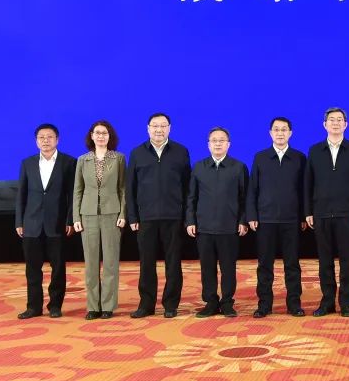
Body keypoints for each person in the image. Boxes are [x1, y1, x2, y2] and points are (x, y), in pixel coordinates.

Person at [126, 113, 191, 319]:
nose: (159, 130)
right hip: (146, 218)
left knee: (173, 263)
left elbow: (188, 187)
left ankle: (171, 304)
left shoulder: (181, 152)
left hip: (174, 217)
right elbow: (130, 188)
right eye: (155, 126)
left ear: (170, 128)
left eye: (163, 126)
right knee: (146, 263)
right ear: (148, 128)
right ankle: (146, 304)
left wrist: (187, 217)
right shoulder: (137, 153)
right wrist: (133, 217)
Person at [304, 107, 349, 317]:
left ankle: (346, 303)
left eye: (340, 120)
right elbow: (308, 183)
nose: (336, 123)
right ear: (325, 124)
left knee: (347, 262)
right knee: (325, 262)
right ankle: (327, 302)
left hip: (346, 213)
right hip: (321, 213)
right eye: (332, 120)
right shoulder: (315, 150)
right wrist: (308, 211)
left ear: (346, 124)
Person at [15, 124, 77, 319]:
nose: (45, 140)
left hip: (57, 223)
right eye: (41, 137)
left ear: (57, 139)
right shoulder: (27, 163)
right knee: (32, 269)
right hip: (31, 223)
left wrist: (70, 219)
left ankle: (55, 305)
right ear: (36, 141)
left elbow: (72, 195)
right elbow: (21, 194)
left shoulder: (69, 162)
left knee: (58, 268)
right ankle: (33, 307)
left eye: (49, 137)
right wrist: (19, 221)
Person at [248, 117, 307, 318]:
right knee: (265, 265)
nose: (280, 133)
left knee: (292, 265)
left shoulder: (299, 158)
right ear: (270, 133)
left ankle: (294, 304)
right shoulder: (260, 157)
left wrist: (303, 215)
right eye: (276, 129)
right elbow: (253, 189)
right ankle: (264, 305)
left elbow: (304, 190)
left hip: (292, 220)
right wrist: (252, 214)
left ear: (290, 133)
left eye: (284, 130)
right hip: (266, 220)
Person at [186, 127, 248, 317]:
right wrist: (190, 220)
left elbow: (245, 197)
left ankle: (227, 302)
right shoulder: (199, 167)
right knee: (207, 268)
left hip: (229, 227)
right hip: (204, 227)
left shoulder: (239, 167)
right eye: (214, 140)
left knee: (228, 267)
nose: (218, 144)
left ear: (229, 144)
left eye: (222, 140)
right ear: (208, 145)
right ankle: (211, 302)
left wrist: (243, 220)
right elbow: (191, 197)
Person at [73, 120, 127, 320]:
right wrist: (76, 216)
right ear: (92, 136)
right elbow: (77, 190)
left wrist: (123, 214)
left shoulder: (119, 158)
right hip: (87, 215)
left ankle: (108, 306)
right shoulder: (83, 160)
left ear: (110, 136)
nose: (101, 136)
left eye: (105, 133)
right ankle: (93, 306)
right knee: (91, 263)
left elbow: (123, 189)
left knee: (111, 262)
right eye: (97, 133)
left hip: (112, 214)